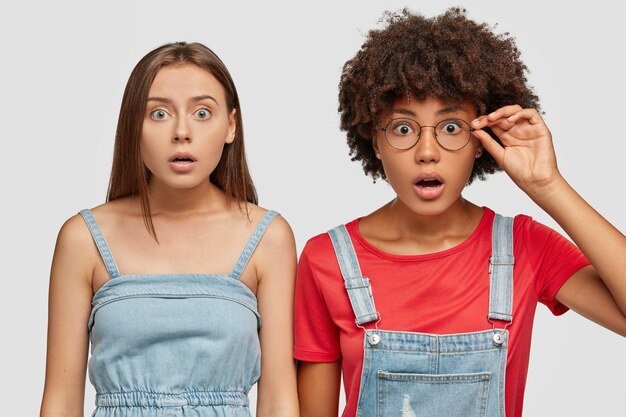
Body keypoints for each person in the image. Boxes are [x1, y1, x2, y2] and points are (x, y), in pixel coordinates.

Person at [294, 8, 625, 417]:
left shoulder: (524, 246)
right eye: (402, 128)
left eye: (451, 127)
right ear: (374, 141)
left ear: (481, 141)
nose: (427, 152)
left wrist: (548, 186)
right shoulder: (326, 260)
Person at [40, 42, 298, 417]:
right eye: (159, 113)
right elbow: (60, 403)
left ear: (231, 126)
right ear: (134, 127)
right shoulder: (83, 238)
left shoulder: (268, 237)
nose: (181, 131)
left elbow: (279, 402)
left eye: (202, 113)